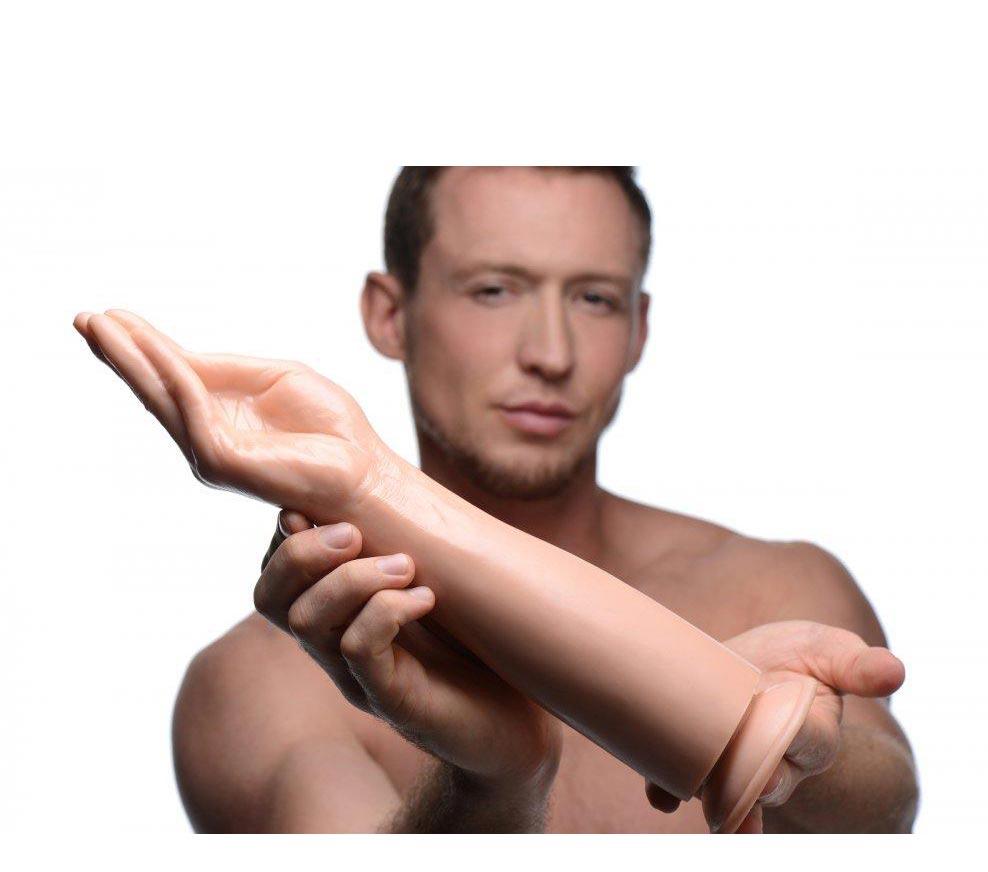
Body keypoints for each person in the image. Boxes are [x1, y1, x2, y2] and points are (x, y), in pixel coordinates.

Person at [171, 166, 919, 833]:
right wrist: (497, 778)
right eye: (494, 290)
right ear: (389, 314)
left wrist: (762, 731)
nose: (551, 354)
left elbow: (888, 814)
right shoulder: (259, 683)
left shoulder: (776, 589)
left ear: (638, 329)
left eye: (594, 299)